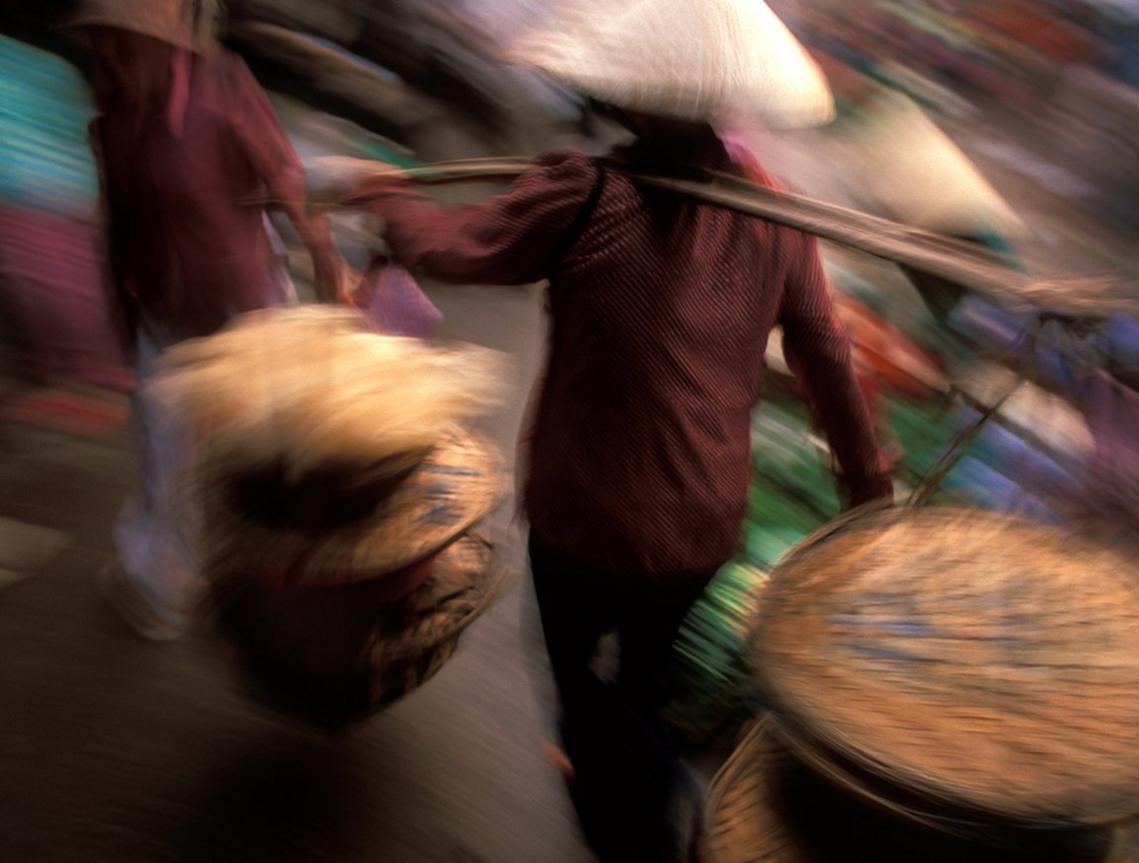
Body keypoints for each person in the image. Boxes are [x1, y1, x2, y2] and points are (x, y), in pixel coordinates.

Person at [340, 0, 892, 858]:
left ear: (632, 99)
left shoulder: (586, 192)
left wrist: (388, 197)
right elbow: (828, 356)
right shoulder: (780, 218)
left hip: (586, 517)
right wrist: (868, 486)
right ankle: (641, 778)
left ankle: (640, 827)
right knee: (639, 680)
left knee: (580, 683)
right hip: (703, 525)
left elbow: (454, 249)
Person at [67, 0, 346, 639]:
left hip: (245, 308)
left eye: (123, 42)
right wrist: (124, 319)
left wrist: (329, 265)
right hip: (165, 318)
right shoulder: (112, 122)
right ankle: (162, 581)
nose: (109, 58)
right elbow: (120, 227)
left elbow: (285, 180)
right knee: (164, 459)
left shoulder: (223, 84)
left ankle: (299, 580)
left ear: (167, 44)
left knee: (268, 448)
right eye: (102, 43)